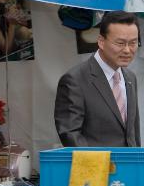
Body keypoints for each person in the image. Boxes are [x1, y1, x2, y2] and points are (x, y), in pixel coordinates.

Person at [54, 10, 139, 147]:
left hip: (129, 166)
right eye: (120, 43)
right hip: (96, 167)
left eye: (133, 43)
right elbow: (70, 135)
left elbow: (132, 133)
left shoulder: (130, 77)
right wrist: (100, 167)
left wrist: (137, 164)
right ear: (101, 41)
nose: (127, 50)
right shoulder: (74, 80)